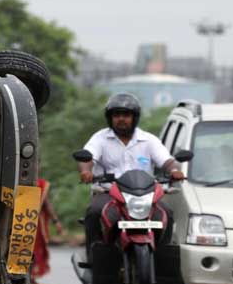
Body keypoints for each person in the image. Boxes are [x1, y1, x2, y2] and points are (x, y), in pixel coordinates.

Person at [77, 93, 183, 256]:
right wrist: (86, 171)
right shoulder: (100, 138)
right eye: (116, 115)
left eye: (126, 115)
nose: (121, 119)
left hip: (144, 196)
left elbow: (167, 161)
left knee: (166, 213)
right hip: (108, 194)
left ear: (135, 117)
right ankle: (94, 258)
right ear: (110, 118)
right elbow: (88, 157)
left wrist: (175, 171)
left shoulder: (148, 140)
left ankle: (161, 258)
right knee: (94, 212)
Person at [31, 177, 64, 284]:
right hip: (29, 222)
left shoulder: (41, 184)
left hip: (31, 222)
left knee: (36, 250)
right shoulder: (38, 183)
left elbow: (46, 204)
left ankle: (31, 277)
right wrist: (56, 221)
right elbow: (46, 204)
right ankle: (29, 277)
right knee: (32, 249)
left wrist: (56, 221)